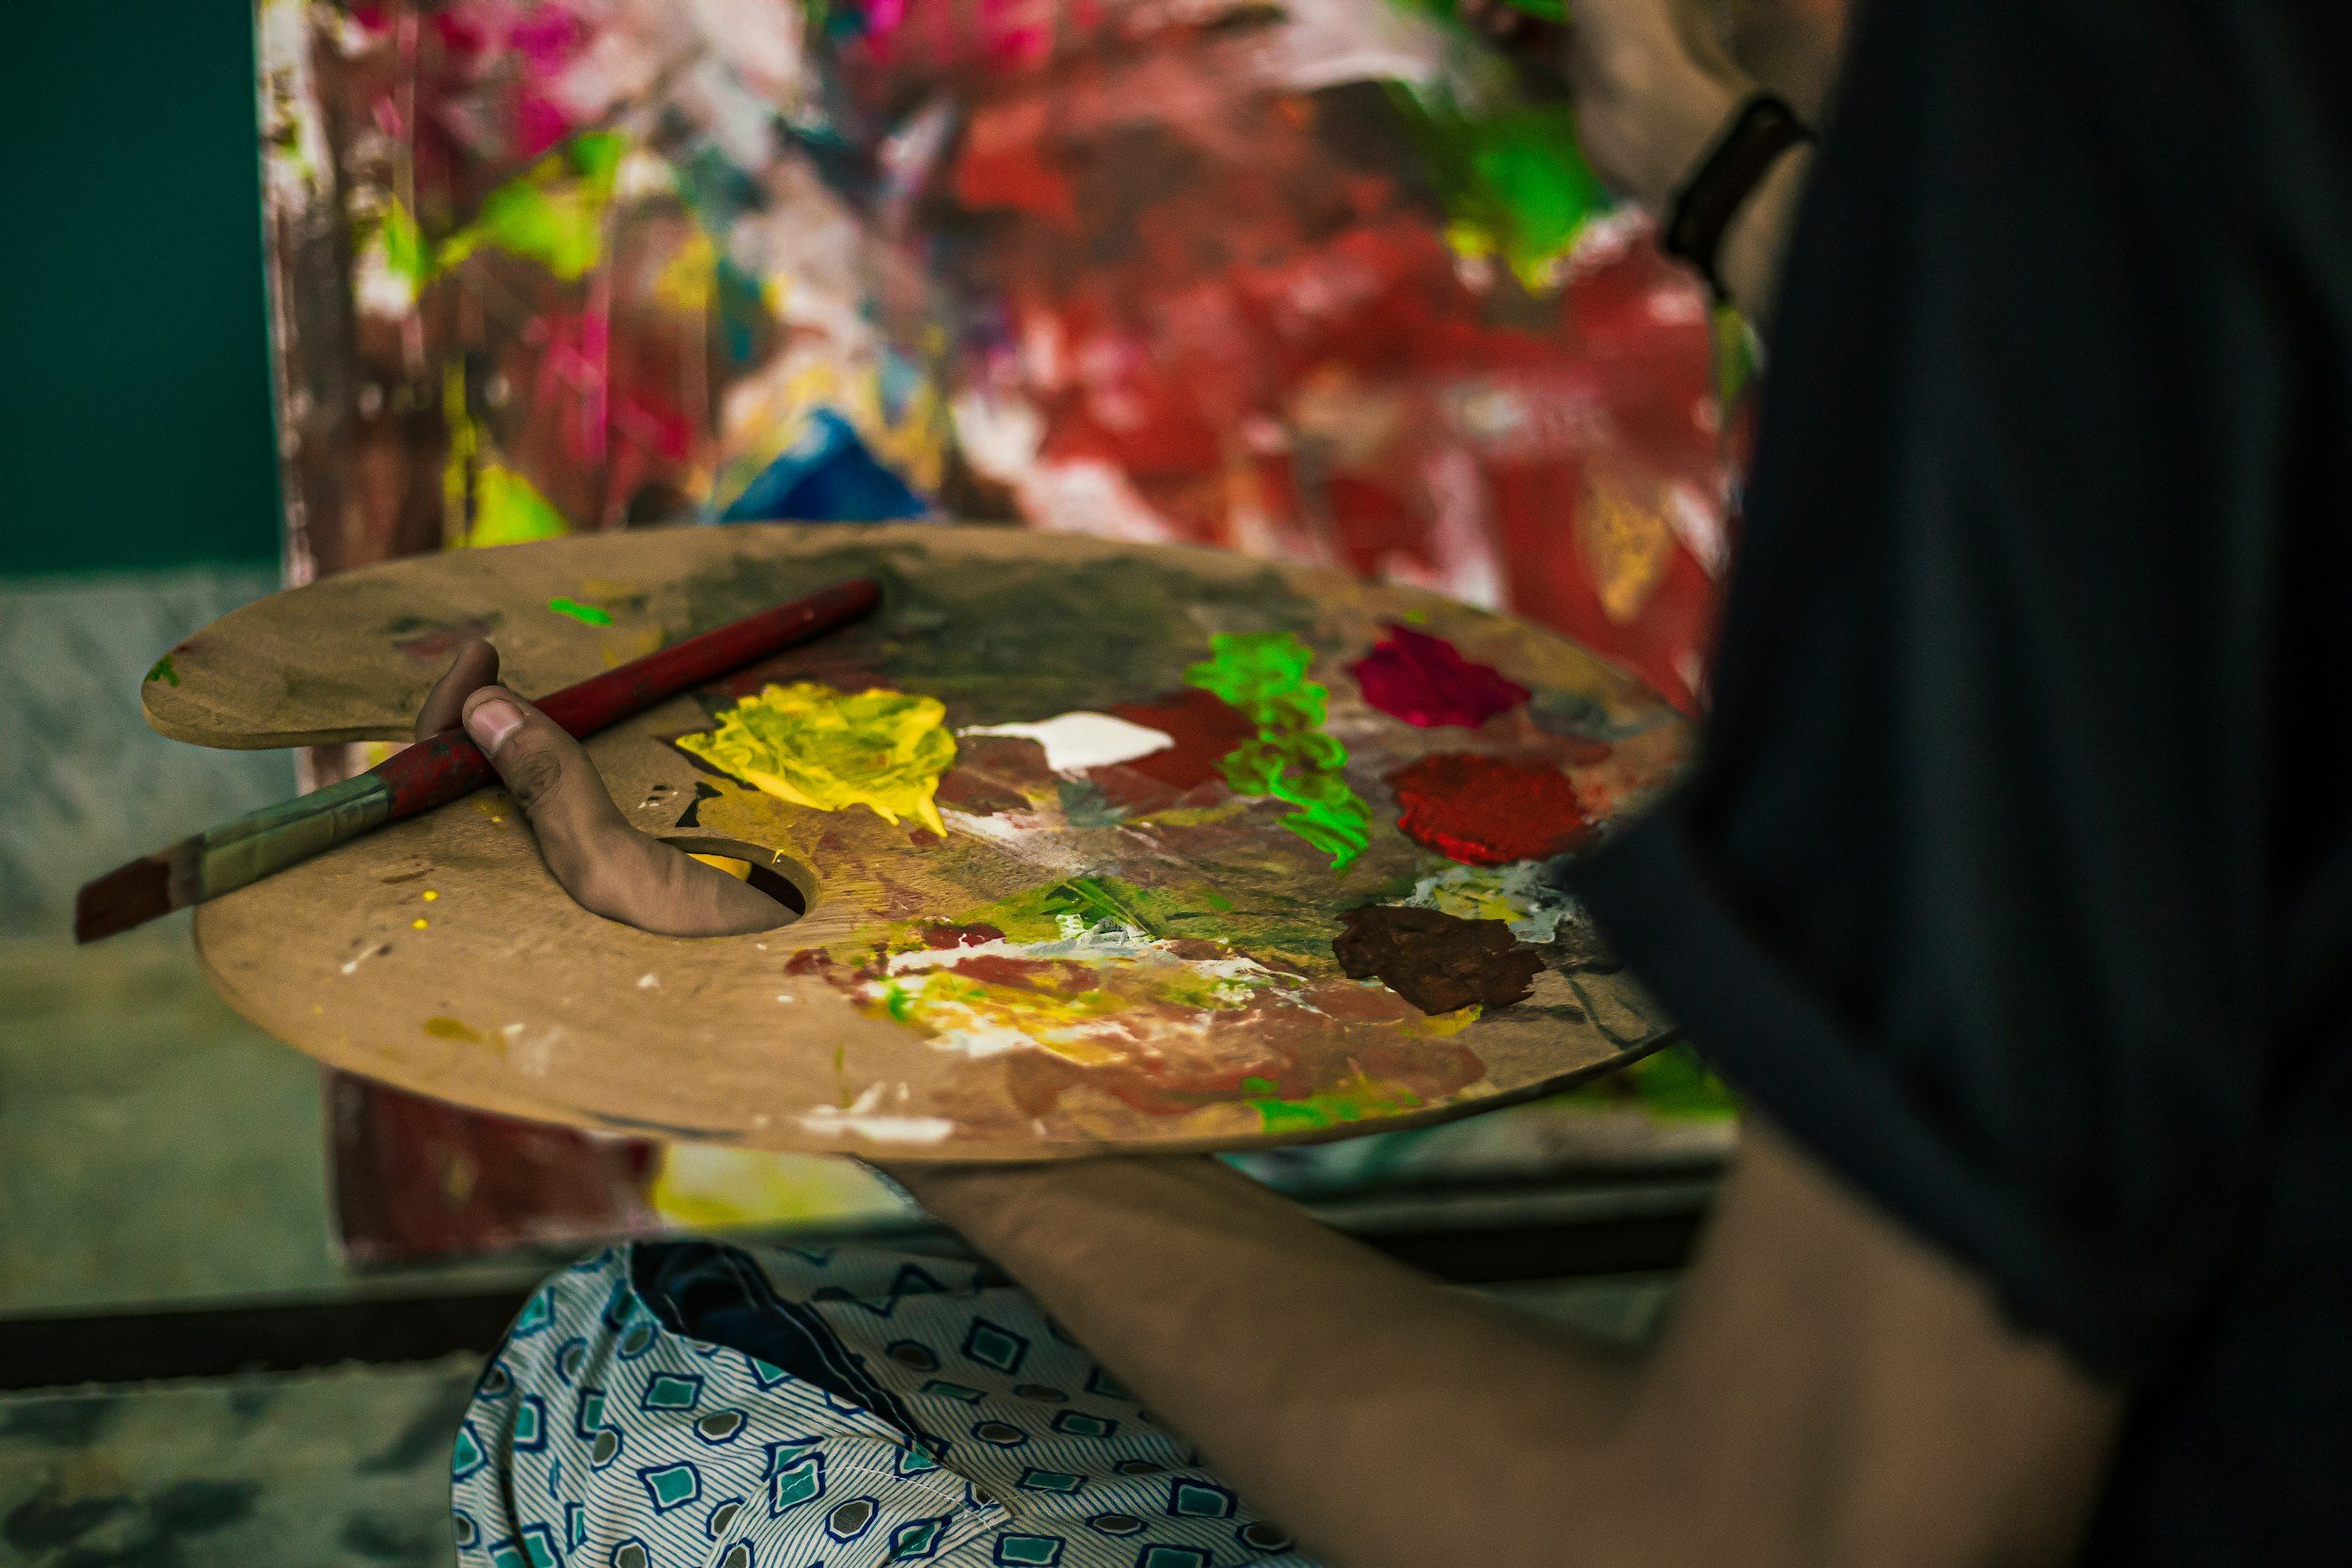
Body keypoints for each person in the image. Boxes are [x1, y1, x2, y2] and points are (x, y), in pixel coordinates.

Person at [437, 0, 2352, 1561]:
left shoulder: (2053, 108)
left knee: (624, 1408)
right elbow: (2179, 491)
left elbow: (1772, 1535)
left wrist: (875, 1049)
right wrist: (1747, 193)